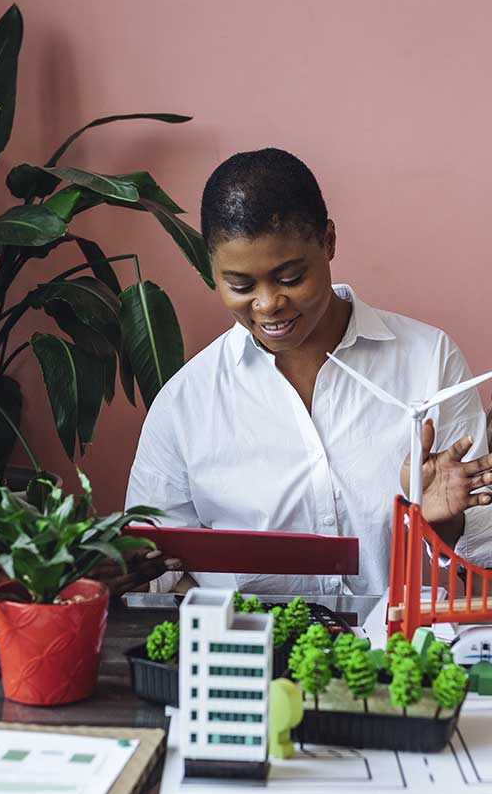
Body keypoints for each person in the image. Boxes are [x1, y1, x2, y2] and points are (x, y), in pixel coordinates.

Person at [126, 148, 492, 596]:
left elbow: (482, 551)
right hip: (251, 656)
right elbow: (155, 570)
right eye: (240, 285)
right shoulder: (185, 402)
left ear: (328, 241)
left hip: (399, 657)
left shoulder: (430, 360)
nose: (267, 304)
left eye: (290, 277)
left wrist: (445, 522)